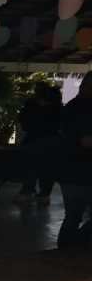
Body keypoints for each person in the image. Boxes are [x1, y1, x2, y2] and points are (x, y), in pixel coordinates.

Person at [58, 73, 92, 248]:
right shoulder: (80, 109)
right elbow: (86, 141)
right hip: (79, 170)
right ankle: (70, 247)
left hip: (72, 170)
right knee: (73, 215)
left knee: (73, 216)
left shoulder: (72, 107)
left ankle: (67, 249)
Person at [16, 84, 62, 205]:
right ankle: (43, 194)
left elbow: (23, 121)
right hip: (51, 141)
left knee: (31, 167)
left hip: (35, 140)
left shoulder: (31, 106)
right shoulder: (57, 108)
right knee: (47, 169)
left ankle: (28, 191)